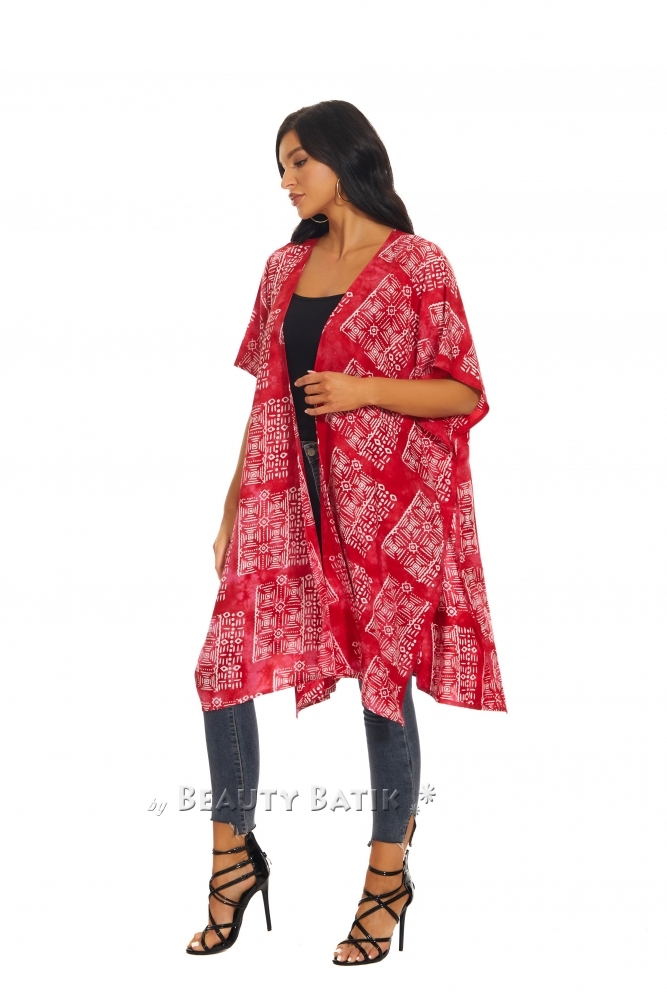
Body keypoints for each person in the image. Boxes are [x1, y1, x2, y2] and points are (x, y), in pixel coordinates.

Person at [186, 100, 507, 963]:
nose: (285, 181)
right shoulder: (281, 268)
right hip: (284, 499)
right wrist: (232, 507)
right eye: (280, 166)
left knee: (380, 682)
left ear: (344, 157)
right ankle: (232, 862)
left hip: (382, 511)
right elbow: (266, 399)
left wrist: (363, 391)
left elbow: (463, 391)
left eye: (298, 162)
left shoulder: (416, 264)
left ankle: (385, 877)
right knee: (222, 670)